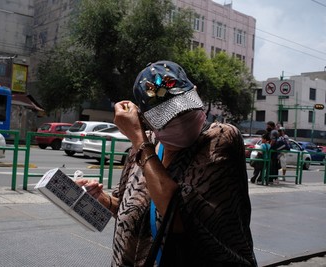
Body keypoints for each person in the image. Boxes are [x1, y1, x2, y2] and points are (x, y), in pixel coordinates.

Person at [78, 61, 257, 266]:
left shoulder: (220, 138)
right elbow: (128, 211)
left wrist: (138, 141)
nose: (179, 121)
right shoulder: (145, 145)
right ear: (144, 118)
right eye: (166, 117)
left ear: (195, 93)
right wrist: (102, 199)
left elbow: (177, 220)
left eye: (184, 109)